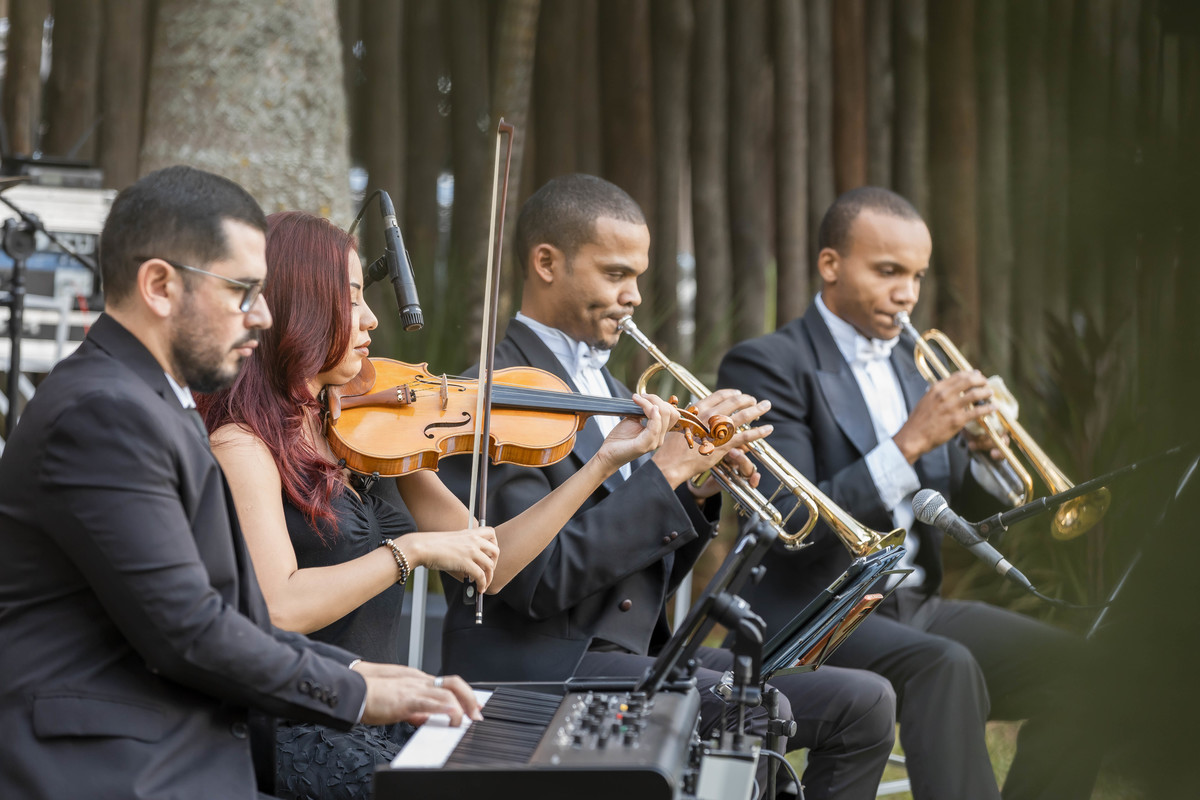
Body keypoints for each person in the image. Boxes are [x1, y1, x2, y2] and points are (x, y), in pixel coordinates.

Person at [0, 166, 481, 800]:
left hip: (174, 748)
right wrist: (359, 691)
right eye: (243, 292)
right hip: (113, 767)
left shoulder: (144, 400)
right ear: (160, 286)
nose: (262, 316)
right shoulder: (103, 413)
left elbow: (239, 617)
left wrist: (372, 674)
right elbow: (191, 630)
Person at [437, 174, 898, 800]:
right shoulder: (487, 399)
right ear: (546, 263)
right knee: (760, 712)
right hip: (538, 668)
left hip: (624, 656)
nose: (632, 297)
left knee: (865, 700)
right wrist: (665, 474)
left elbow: (635, 586)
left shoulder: (609, 392)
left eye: (639, 278)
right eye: (614, 274)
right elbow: (538, 583)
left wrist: (697, 491)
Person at [199, 210, 679, 800]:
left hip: (377, 713)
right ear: (298, 306)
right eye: (352, 299)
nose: (373, 318)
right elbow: (279, 606)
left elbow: (494, 563)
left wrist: (602, 463)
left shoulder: (363, 431)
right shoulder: (242, 444)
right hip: (298, 727)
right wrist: (411, 551)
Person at [717, 186, 1099, 800]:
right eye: (888, 271)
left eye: (917, 275)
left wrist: (987, 460)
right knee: (944, 665)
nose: (908, 294)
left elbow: (955, 510)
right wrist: (912, 441)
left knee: (1085, 669)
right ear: (830, 265)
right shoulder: (767, 364)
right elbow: (791, 521)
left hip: (913, 604)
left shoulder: (911, 364)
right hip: (817, 614)